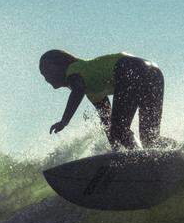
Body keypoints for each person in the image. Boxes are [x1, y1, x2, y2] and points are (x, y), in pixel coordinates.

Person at [39, 50, 168, 150]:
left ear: (60, 65)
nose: (46, 77)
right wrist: (116, 150)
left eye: (47, 70)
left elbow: (77, 91)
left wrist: (64, 121)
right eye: (43, 74)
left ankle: (140, 159)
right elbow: (108, 122)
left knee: (119, 130)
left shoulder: (74, 70)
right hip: (153, 73)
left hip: (130, 69)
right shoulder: (92, 88)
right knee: (150, 140)